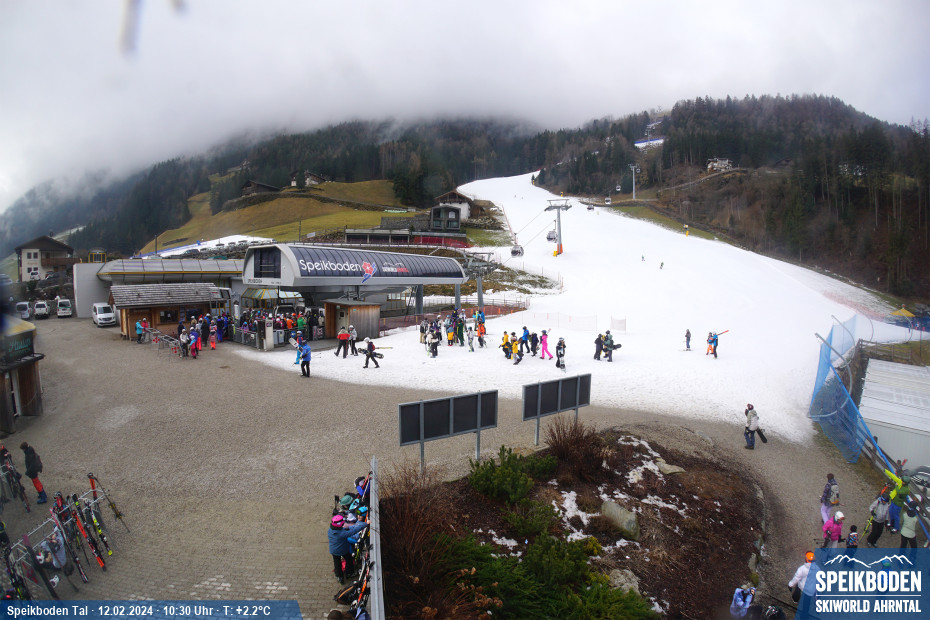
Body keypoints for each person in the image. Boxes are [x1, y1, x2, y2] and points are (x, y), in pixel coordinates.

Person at [329, 513, 368, 585]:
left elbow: (344, 529)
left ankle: (339, 576)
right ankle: (349, 573)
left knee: (337, 563)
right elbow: (353, 531)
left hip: (333, 550)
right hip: (343, 550)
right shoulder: (342, 533)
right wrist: (365, 524)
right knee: (349, 560)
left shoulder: (330, 530)